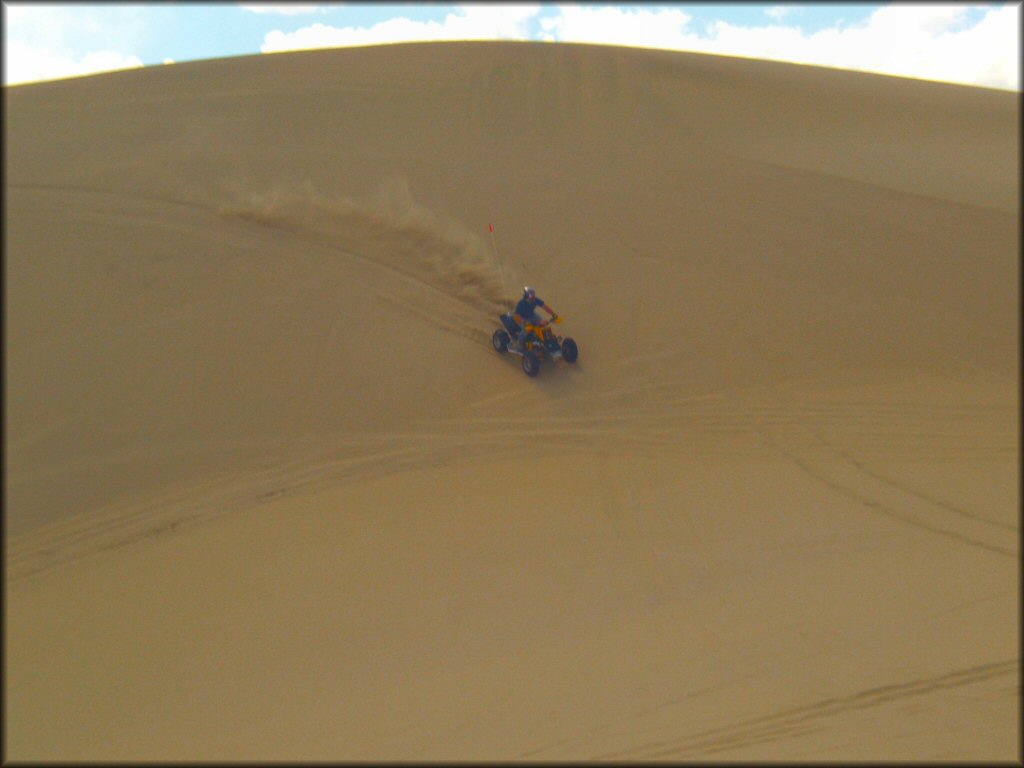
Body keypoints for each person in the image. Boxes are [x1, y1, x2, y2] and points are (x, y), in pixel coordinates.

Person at [512, 286, 558, 350]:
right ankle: (519, 343)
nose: (534, 297)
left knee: (543, 324)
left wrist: (553, 314)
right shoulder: (521, 304)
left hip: (532, 315)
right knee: (526, 330)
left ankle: (547, 339)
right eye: (532, 295)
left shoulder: (535, 300)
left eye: (534, 294)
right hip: (522, 318)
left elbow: (545, 307)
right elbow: (517, 316)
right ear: (527, 296)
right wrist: (524, 322)